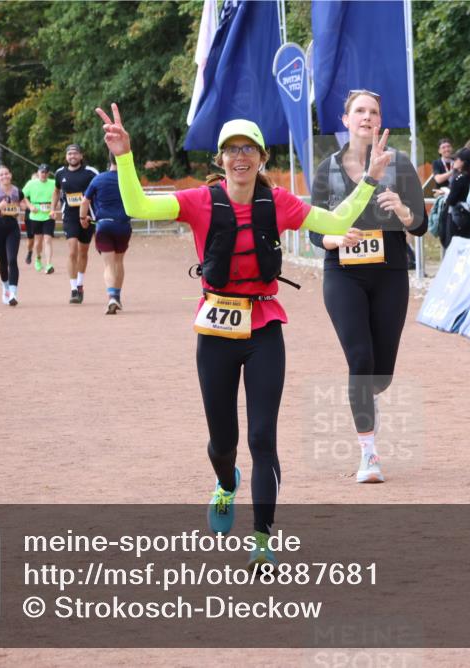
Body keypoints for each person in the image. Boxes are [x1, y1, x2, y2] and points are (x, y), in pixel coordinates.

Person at [97, 103, 389, 566]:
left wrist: (369, 180)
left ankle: (262, 538)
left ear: (261, 158)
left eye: (248, 149)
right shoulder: (199, 201)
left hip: (264, 327)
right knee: (223, 442)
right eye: (231, 149)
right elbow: (137, 206)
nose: (240, 157)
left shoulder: (278, 203)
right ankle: (226, 481)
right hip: (214, 328)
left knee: (262, 439)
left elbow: (333, 224)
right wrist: (125, 156)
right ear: (220, 159)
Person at [309, 90, 427, 484]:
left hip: (391, 272)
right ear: (345, 120)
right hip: (343, 274)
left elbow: (421, 224)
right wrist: (335, 239)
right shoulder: (327, 168)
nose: (366, 116)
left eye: (373, 111)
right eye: (359, 110)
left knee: (381, 375)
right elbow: (314, 232)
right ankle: (369, 456)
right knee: (359, 361)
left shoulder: (401, 164)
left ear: (380, 120)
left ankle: (368, 401)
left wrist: (404, 210)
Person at [81, 153, 130, 314]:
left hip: (103, 225)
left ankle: (111, 297)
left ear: (109, 160)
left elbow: (85, 201)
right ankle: (118, 296)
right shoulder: (128, 179)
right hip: (123, 225)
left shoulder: (98, 179)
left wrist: (83, 218)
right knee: (119, 262)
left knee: (108, 264)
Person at [52, 144, 98, 303]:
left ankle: (80, 284)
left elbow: (99, 190)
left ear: (81, 156)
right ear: (66, 157)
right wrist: (53, 208)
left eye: (75, 153)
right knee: (72, 251)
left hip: (87, 215)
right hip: (70, 215)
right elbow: (56, 191)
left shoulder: (90, 172)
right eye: (69, 154)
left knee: (83, 252)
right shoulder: (60, 173)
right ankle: (73, 289)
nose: (72, 156)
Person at [0, 165, 31, 306]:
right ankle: (5, 287)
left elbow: (23, 202)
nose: (4, 176)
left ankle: (13, 294)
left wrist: (26, 206)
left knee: (12, 260)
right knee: (3, 262)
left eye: (6, 174)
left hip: (12, 228)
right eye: (1, 175)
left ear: (10, 175)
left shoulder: (17, 191)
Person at [22, 164, 56, 274]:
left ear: (48, 173)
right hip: (35, 216)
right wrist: (30, 206)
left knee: (48, 239)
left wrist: (54, 208)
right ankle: (38, 258)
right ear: (38, 173)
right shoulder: (31, 183)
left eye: (46, 172)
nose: (44, 174)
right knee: (38, 241)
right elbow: (21, 195)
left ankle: (49, 264)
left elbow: (58, 195)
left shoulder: (53, 183)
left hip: (48, 215)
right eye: (42, 172)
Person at [441, 147, 470, 248]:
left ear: (463, 162)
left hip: (458, 216)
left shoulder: (459, 178)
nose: (454, 161)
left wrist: (447, 194)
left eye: (456, 159)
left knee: (455, 246)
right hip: (469, 215)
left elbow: (451, 200)